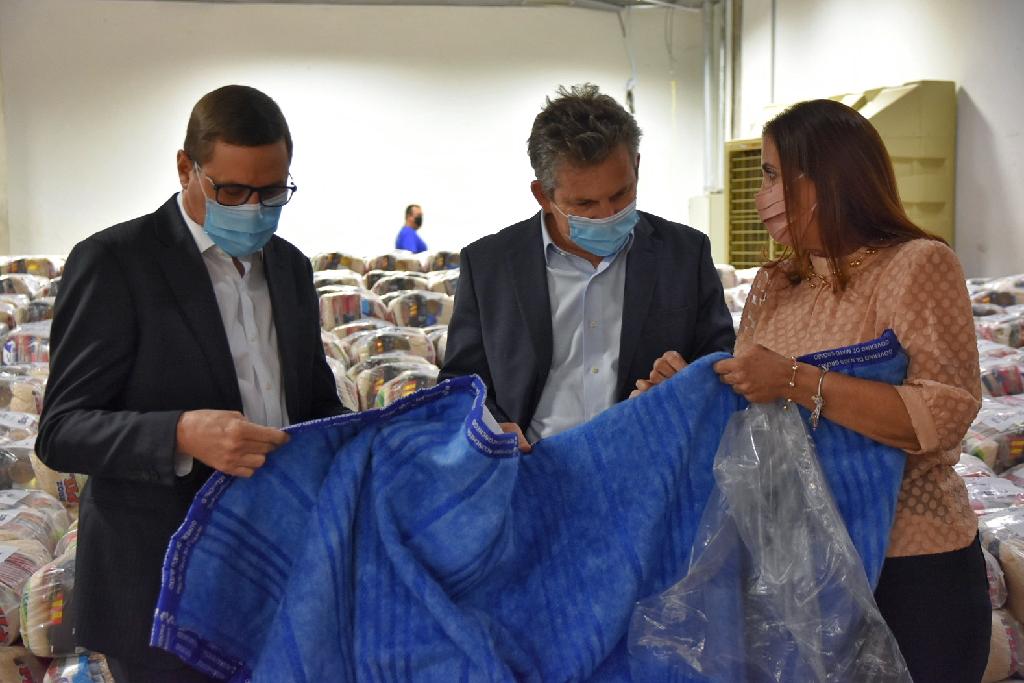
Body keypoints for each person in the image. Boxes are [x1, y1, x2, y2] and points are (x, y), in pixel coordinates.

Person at [637, 98, 990, 682]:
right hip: (804, 569)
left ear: (829, 178)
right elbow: (753, 428)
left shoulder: (916, 265)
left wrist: (796, 380)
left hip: (907, 565)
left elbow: (942, 416)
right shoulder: (777, 284)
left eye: (773, 176)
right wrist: (692, 394)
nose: (762, 197)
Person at [36, 85, 346, 683]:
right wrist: (181, 434)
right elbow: (62, 430)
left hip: (275, 564)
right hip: (159, 584)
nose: (254, 209)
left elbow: (314, 399)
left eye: (273, 192)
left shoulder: (289, 266)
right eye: (232, 191)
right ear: (187, 168)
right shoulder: (115, 262)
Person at [440, 83, 735, 452]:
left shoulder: (685, 254)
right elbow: (460, 382)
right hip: (531, 466)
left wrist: (687, 381)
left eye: (621, 193)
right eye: (584, 204)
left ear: (637, 166)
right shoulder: (490, 265)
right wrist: (492, 428)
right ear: (543, 195)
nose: (608, 214)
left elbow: (719, 358)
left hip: (650, 462)